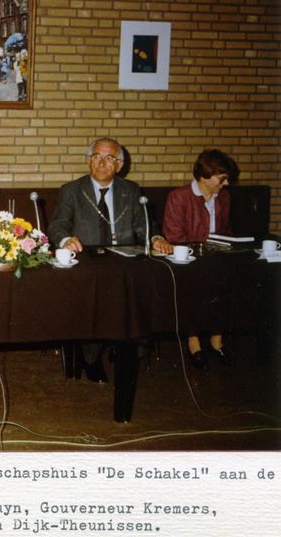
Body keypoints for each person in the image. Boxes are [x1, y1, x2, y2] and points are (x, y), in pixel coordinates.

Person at [48, 138, 173, 383]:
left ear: (119, 165)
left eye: (109, 158)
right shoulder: (72, 190)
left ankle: (127, 349)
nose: (102, 162)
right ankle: (91, 357)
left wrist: (156, 238)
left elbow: (144, 225)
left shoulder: (131, 190)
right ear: (88, 161)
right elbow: (57, 225)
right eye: (96, 156)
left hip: (124, 263)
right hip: (88, 263)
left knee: (136, 294)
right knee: (93, 300)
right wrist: (65, 240)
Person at [162, 148, 236, 370]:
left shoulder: (224, 197)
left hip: (215, 258)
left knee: (228, 282)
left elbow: (226, 231)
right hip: (188, 261)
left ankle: (216, 340)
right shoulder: (179, 197)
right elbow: (174, 236)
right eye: (222, 178)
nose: (226, 183)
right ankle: (193, 343)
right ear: (205, 176)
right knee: (196, 286)